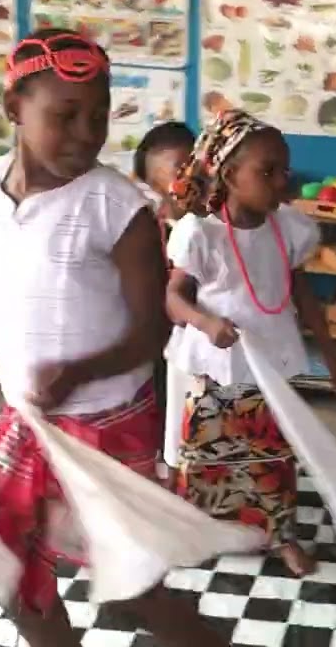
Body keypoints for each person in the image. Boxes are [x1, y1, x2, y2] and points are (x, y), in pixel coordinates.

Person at [0, 29, 226, 647]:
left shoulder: (117, 208)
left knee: (136, 584)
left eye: (98, 117)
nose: (86, 134)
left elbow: (151, 333)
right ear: (14, 109)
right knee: (7, 568)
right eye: (64, 116)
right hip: (30, 422)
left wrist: (80, 373)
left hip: (108, 424)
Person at [163, 110, 336, 577]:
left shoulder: (288, 228)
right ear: (229, 175)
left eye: (284, 170)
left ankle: (281, 535)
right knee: (207, 459)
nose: (281, 181)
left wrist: (331, 354)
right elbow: (172, 299)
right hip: (216, 367)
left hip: (270, 365)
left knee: (275, 458)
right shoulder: (202, 233)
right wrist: (205, 322)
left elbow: (302, 295)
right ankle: (203, 533)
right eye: (267, 172)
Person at [131, 120, 197, 487]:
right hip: (164, 342)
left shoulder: (216, 223)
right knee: (168, 416)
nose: (192, 177)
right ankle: (169, 479)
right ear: (153, 183)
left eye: (196, 165)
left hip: (208, 339)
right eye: (178, 171)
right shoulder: (148, 227)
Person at [133, 121, 196, 225]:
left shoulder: (222, 223)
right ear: (153, 187)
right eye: (180, 171)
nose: (194, 174)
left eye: (195, 164)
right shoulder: (149, 236)